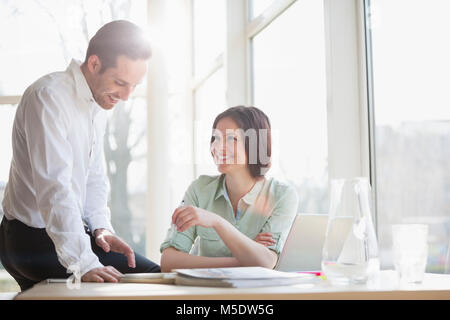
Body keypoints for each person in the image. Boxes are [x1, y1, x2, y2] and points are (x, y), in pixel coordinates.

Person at [0, 20, 160, 291]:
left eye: (134, 86)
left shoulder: (96, 103)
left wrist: (101, 229)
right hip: (28, 240)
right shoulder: (48, 98)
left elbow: (94, 178)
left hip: (63, 232)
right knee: (114, 287)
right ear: (94, 64)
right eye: (120, 83)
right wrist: (84, 264)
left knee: (152, 276)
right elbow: (55, 189)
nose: (126, 96)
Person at [160, 106, 299, 272]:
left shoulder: (282, 195)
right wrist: (243, 260)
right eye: (215, 138)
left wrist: (217, 222)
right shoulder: (199, 190)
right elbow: (168, 261)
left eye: (231, 139)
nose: (218, 147)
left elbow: (267, 261)